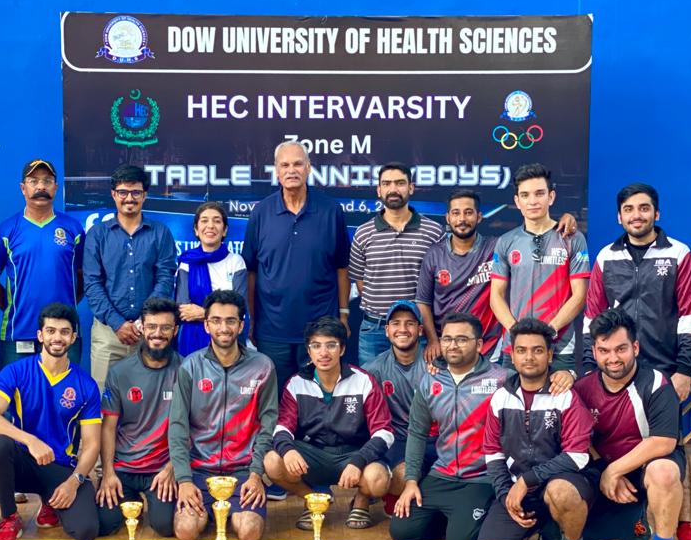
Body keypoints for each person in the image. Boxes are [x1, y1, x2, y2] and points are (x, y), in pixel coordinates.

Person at [582, 182, 691, 540]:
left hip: (665, 368)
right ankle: (633, 516)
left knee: (670, 446)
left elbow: (690, 315)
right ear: (619, 216)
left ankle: (682, 527)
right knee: (613, 442)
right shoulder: (606, 257)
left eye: (644, 208)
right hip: (615, 364)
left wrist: (683, 369)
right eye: (630, 209)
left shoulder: (679, 254)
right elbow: (593, 319)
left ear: (657, 213)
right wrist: (590, 367)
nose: (637, 215)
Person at [477, 318, 595, 540]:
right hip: (522, 491)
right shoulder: (500, 398)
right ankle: (541, 525)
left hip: (560, 484)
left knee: (561, 492)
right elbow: (493, 453)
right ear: (512, 354)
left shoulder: (565, 396)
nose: (529, 357)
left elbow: (577, 456)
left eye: (537, 350)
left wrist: (526, 480)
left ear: (550, 354)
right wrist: (505, 495)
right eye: (522, 350)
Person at [0, 303, 102, 540]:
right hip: (22, 463)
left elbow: (92, 443)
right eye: (51, 331)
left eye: (65, 332)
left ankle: (50, 503)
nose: (57, 337)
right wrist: (29, 440)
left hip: (59, 467)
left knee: (86, 531)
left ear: (74, 337)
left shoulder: (85, 385)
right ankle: (10, 518)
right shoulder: (16, 371)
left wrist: (73, 482)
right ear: (40, 335)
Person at [576, 309, 687, 540]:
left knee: (664, 473)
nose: (613, 358)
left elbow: (664, 441)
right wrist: (608, 471)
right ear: (595, 351)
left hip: (652, 463)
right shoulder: (583, 388)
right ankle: (639, 523)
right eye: (604, 350)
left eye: (621, 349)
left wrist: (613, 471)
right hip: (611, 469)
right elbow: (580, 441)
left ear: (635, 347)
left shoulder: (657, 383)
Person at [390, 313, 508, 540]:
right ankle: (457, 519)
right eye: (447, 339)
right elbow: (417, 432)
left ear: (478, 344)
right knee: (402, 531)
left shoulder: (502, 379)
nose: (452, 345)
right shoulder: (431, 380)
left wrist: (566, 375)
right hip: (441, 475)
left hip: (481, 479)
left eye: (462, 339)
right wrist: (411, 480)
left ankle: (468, 520)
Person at [419, 190, 578, 368]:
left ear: (479, 217)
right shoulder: (434, 255)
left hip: (490, 347)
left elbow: (532, 230)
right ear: (447, 218)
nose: (462, 219)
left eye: (468, 212)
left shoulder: (497, 246)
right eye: (456, 213)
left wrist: (566, 217)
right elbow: (423, 301)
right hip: (450, 346)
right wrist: (433, 340)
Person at [264, 316, 393, 530]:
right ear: (309, 350)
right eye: (316, 346)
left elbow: (384, 432)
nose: (323, 353)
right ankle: (313, 500)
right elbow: (282, 428)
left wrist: (359, 461)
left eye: (331, 345)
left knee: (378, 479)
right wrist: (287, 450)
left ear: (342, 349)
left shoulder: (363, 381)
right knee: (272, 461)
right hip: (313, 456)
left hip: (353, 455)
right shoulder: (296, 383)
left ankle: (361, 501)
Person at [169, 290, 276, 540]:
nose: (223, 327)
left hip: (242, 471)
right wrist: (183, 480)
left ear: (241, 325)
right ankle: (207, 512)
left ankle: (235, 512)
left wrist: (256, 474)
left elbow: (269, 423)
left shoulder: (263, 366)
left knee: (249, 532)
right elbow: (178, 427)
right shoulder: (190, 367)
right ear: (206, 325)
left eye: (230, 321)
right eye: (216, 320)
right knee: (186, 531)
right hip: (199, 470)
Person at [243, 140, 350, 391]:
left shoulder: (330, 210)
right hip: (271, 331)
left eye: (298, 164)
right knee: (276, 402)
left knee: (318, 401)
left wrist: (343, 315)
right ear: (277, 171)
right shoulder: (261, 212)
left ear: (309, 168)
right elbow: (251, 272)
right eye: (285, 165)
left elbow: (342, 268)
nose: (292, 170)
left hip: (320, 330)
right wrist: (251, 320)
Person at [84, 164, 177, 390]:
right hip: (108, 335)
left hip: (149, 333)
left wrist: (142, 322)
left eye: (136, 192)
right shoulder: (98, 234)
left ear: (144, 195)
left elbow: (165, 278)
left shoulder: (160, 233)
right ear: (114, 194)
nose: (129, 198)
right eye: (123, 192)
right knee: (104, 403)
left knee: (149, 402)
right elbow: (92, 283)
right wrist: (118, 324)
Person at [489, 163, 590, 371]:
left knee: (558, 403)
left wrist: (550, 331)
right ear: (517, 201)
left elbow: (580, 295)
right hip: (515, 347)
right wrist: (516, 331)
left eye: (539, 193)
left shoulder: (572, 238)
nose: (532, 201)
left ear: (551, 197)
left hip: (559, 345)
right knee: (513, 404)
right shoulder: (506, 241)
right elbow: (496, 296)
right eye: (525, 195)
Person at [97, 297, 181, 538]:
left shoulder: (186, 371)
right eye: (151, 327)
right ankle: (131, 499)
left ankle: (153, 506)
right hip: (123, 467)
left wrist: (173, 467)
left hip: (161, 470)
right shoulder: (119, 372)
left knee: (165, 527)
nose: (158, 333)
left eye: (165, 328)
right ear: (141, 328)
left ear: (175, 331)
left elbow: (192, 427)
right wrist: (108, 473)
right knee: (105, 524)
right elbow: (108, 428)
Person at [348, 163, 444, 364]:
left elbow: (441, 283)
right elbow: (359, 279)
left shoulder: (434, 232)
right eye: (387, 183)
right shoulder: (363, 233)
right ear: (379, 190)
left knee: (422, 391)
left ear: (411, 187)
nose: (393, 189)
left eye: (400, 183)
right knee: (372, 391)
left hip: (420, 330)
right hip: (374, 330)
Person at [0, 158, 84, 368]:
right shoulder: (6, 230)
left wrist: (66, 304)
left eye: (47, 181)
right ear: (23, 188)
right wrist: (13, 307)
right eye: (34, 181)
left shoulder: (73, 229)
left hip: (65, 333)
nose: (41, 186)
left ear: (56, 187)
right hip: (18, 334)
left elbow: (82, 277)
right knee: (16, 399)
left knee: (64, 398)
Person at [362, 300, 431, 514]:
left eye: (410, 324)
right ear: (386, 330)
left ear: (420, 330)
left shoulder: (437, 365)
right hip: (397, 441)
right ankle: (371, 498)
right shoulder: (373, 369)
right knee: (388, 476)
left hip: (433, 440)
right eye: (396, 323)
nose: (402, 329)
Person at [175, 201, 247, 356]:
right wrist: (219, 316)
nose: (211, 226)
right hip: (192, 339)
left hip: (227, 337)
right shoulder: (187, 262)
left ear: (225, 230)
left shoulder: (236, 262)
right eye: (204, 221)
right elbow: (184, 310)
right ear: (196, 229)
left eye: (217, 221)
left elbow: (239, 308)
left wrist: (203, 313)